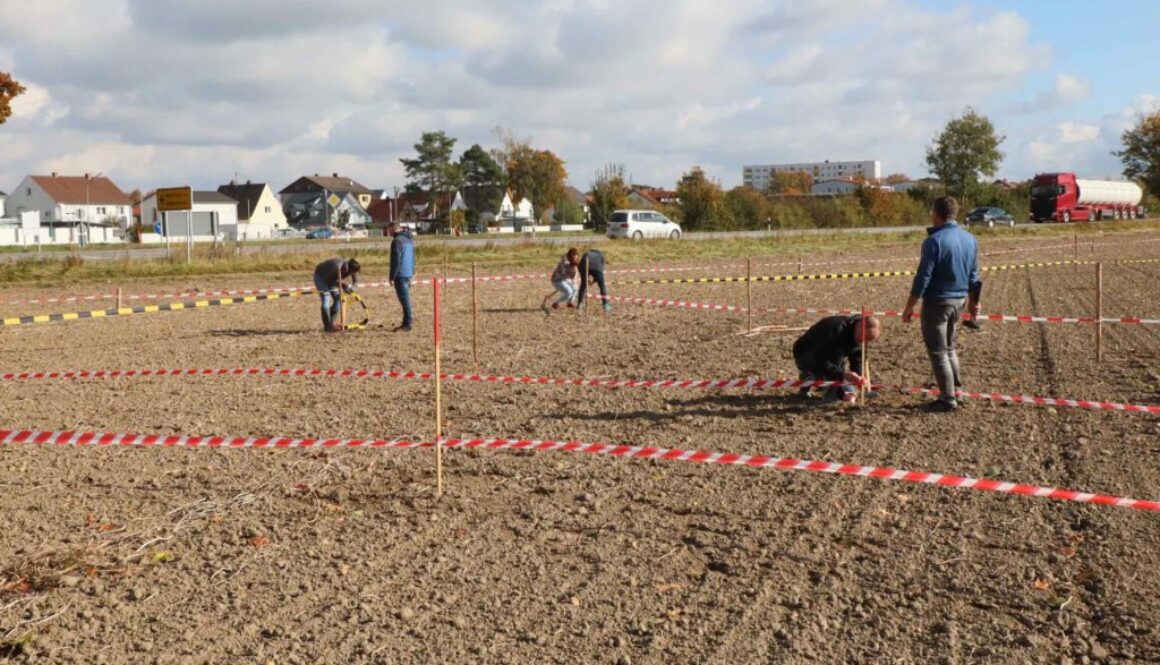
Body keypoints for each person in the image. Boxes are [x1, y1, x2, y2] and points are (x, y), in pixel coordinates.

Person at [901, 196, 981, 412]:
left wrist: (909, 306)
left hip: (937, 302)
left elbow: (922, 278)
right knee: (950, 348)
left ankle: (947, 399)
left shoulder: (933, 241)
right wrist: (974, 302)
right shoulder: (970, 239)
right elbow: (974, 276)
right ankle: (957, 392)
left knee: (938, 352)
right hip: (959, 302)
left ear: (935, 214)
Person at [792, 314, 880, 403]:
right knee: (837, 396)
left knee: (848, 389)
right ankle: (812, 377)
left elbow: (857, 358)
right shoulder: (834, 330)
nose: (865, 342)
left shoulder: (859, 335)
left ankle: (820, 381)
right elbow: (820, 360)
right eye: (865, 338)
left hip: (833, 359)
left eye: (868, 340)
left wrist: (859, 378)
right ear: (860, 326)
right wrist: (842, 377)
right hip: (807, 355)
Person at [313, 257, 361, 332]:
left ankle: (331, 323)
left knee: (338, 300)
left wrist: (351, 289)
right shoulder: (337, 266)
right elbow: (327, 280)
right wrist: (343, 285)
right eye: (348, 271)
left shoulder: (353, 269)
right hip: (321, 276)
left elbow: (356, 283)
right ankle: (328, 326)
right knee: (326, 298)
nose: (351, 274)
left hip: (334, 279)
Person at [388, 221, 415, 332]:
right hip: (408, 273)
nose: (387, 232)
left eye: (388, 230)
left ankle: (407, 323)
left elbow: (396, 260)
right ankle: (406, 322)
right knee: (405, 299)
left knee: (405, 300)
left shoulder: (397, 241)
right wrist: (413, 272)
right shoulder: (409, 240)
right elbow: (413, 257)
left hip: (400, 274)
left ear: (392, 229)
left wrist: (392, 276)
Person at [542, 248, 579, 313]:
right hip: (557, 280)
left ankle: (570, 302)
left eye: (576, 257)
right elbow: (564, 273)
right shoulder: (564, 262)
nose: (576, 258)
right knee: (569, 292)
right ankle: (556, 303)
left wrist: (574, 279)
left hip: (565, 278)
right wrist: (572, 269)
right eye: (574, 257)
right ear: (570, 256)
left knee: (575, 287)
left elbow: (576, 271)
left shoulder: (573, 261)